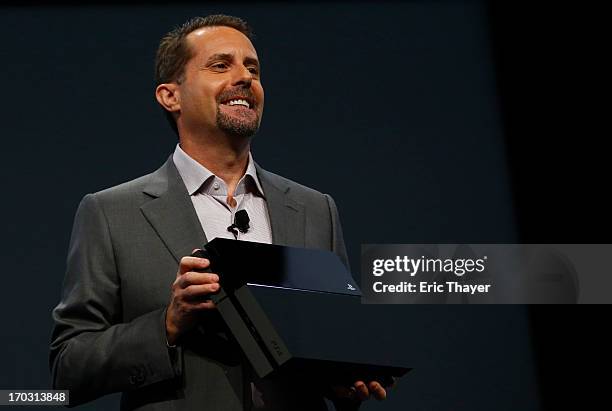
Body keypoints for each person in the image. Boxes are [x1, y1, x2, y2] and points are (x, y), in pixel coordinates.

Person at [50, 15, 388, 411]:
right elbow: (68, 369)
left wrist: (345, 383)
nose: (245, 77)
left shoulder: (316, 209)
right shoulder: (111, 213)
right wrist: (168, 325)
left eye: (253, 68)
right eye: (220, 65)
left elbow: (332, 348)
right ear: (169, 96)